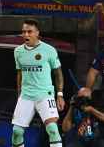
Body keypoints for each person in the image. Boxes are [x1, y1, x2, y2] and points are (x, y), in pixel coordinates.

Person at [11, 19, 65, 147]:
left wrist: (60, 94)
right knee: (17, 132)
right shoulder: (18, 51)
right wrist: (19, 94)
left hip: (45, 94)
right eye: (23, 32)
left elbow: (58, 73)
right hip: (26, 96)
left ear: (37, 33)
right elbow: (19, 73)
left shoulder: (49, 50)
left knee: (52, 129)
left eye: (29, 32)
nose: (26, 35)